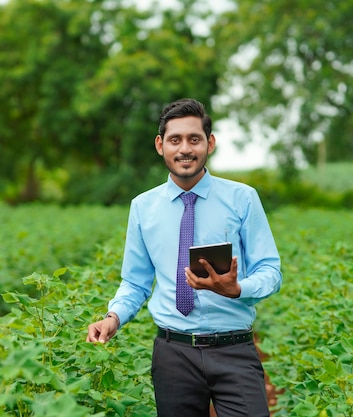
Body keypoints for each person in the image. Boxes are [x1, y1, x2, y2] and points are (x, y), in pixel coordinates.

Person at [86, 98, 282, 417]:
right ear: (160, 145)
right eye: (175, 140)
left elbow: (270, 270)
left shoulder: (242, 199)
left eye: (195, 139)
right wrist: (113, 317)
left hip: (234, 348)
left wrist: (237, 289)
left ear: (210, 143)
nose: (185, 149)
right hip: (173, 353)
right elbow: (135, 282)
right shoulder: (142, 207)